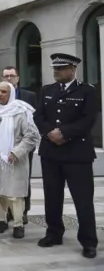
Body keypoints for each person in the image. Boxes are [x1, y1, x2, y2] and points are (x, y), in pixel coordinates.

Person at [34, 53, 98, 259]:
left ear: (73, 69)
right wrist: (50, 132)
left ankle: (88, 241)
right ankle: (54, 233)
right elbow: (39, 115)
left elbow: (89, 119)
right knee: (52, 197)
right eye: (54, 69)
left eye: (60, 69)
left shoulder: (87, 91)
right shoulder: (47, 90)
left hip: (77, 154)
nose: (56, 72)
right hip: (51, 152)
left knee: (83, 199)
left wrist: (65, 133)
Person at [0, 81, 39, 239]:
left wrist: (16, 152)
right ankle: (0, 221)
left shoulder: (21, 111)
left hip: (15, 159)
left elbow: (32, 136)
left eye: (4, 92)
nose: (0, 94)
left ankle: (18, 224)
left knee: (15, 195)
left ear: (11, 94)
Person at [0, 66, 37, 224]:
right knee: (4, 179)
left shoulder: (29, 96)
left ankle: (23, 211)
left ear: (18, 78)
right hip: (2, 148)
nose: (9, 79)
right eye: (5, 76)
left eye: (12, 76)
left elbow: (35, 120)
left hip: (22, 147)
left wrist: (22, 147)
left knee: (22, 179)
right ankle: (6, 213)